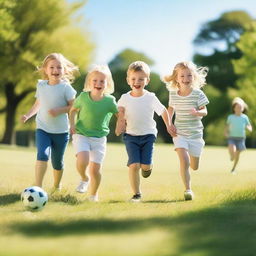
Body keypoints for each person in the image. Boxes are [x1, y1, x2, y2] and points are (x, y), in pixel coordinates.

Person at [116, 61, 173, 202]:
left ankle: (148, 167)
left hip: (148, 135)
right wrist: (121, 121)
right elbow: (119, 112)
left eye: (141, 79)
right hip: (131, 136)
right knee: (134, 165)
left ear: (147, 80)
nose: (137, 82)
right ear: (128, 80)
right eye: (134, 78)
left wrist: (169, 125)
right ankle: (136, 194)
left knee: (145, 166)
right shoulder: (124, 98)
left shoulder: (150, 97)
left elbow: (163, 111)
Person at [21, 53, 78, 191]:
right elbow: (38, 104)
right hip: (43, 128)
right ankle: (38, 186)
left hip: (61, 131)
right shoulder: (41, 85)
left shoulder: (66, 88)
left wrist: (59, 110)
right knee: (43, 154)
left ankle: (57, 185)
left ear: (64, 70)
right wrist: (28, 115)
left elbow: (74, 107)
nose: (55, 70)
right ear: (45, 70)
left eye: (59, 67)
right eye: (52, 67)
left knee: (57, 162)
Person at [69, 64, 118, 202]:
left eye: (102, 81)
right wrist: (71, 124)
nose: (98, 83)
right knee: (83, 159)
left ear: (107, 83)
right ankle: (84, 178)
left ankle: (93, 195)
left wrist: (121, 124)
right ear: (90, 82)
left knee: (95, 170)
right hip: (81, 134)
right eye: (95, 81)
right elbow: (73, 110)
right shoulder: (83, 97)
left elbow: (119, 114)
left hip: (99, 139)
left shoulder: (110, 101)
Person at [163, 61, 209, 201]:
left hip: (195, 135)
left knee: (194, 166)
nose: (186, 79)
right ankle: (188, 189)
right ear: (177, 78)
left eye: (189, 75)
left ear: (193, 77)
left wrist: (197, 112)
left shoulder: (198, 94)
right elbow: (170, 110)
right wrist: (168, 124)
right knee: (184, 161)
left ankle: (196, 155)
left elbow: (205, 111)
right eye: (182, 76)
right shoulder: (173, 95)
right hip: (179, 133)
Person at [225, 97, 252, 173]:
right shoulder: (230, 117)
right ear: (234, 108)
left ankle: (233, 168)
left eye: (240, 107)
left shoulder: (244, 117)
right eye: (237, 107)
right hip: (232, 137)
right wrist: (226, 132)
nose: (239, 109)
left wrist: (249, 128)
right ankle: (232, 156)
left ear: (243, 108)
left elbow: (248, 125)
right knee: (232, 149)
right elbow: (227, 126)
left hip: (241, 138)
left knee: (237, 154)